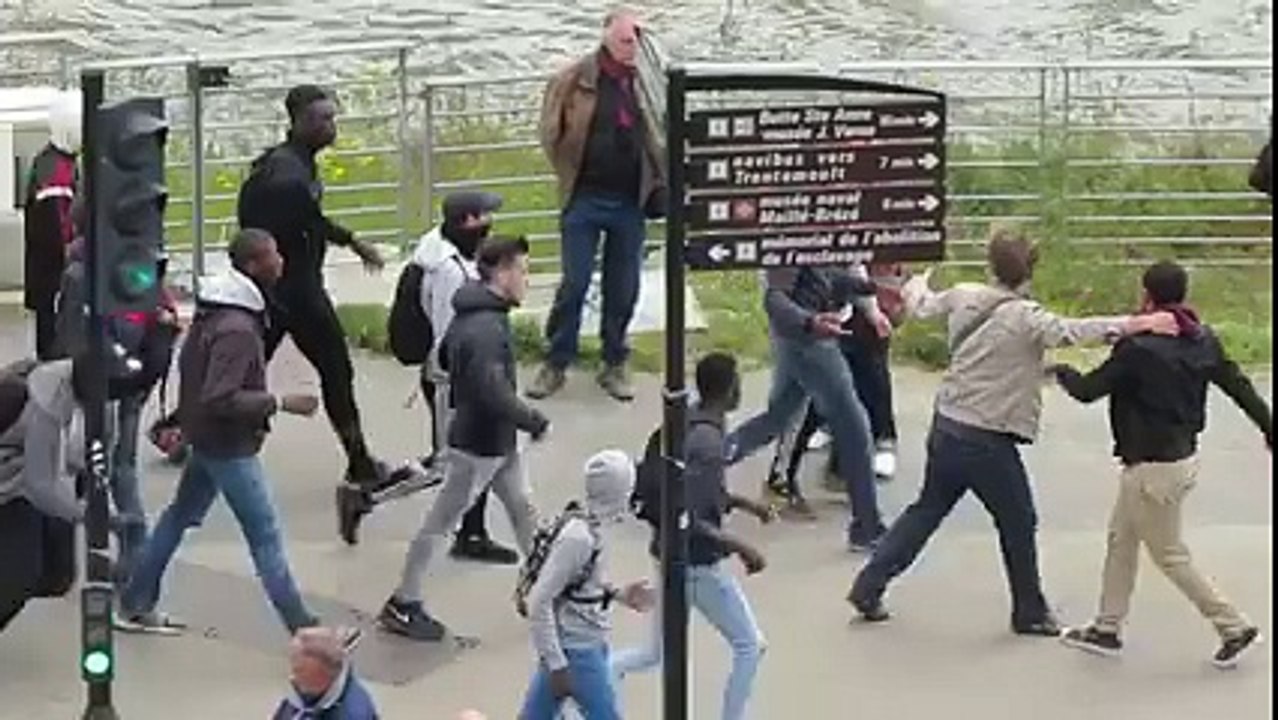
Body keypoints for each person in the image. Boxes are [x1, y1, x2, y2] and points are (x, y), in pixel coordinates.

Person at [848, 227, 1179, 636]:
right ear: (1030, 271)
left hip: (948, 423)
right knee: (1019, 520)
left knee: (927, 509)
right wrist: (1138, 323)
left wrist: (917, 283)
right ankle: (1029, 611)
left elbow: (921, 305)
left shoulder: (965, 295)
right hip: (987, 437)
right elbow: (1075, 330)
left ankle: (869, 584)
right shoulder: (1027, 318)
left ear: (992, 266)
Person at [1050, 260, 1271, 669]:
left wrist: (1058, 369)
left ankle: (1234, 627)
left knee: (1169, 554)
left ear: (1147, 296)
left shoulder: (1137, 349)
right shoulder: (1203, 339)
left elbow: (1088, 390)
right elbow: (1237, 385)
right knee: (1121, 539)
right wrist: (1269, 427)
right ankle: (1106, 627)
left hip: (1151, 468)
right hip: (1178, 460)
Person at [118, 229, 324, 635]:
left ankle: (135, 603)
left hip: (207, 439)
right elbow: (220, 396)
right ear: (252, 266)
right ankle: (304, 628)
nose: (280, 261)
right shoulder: (238, 329)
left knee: (178, 518)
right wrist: (280, 402)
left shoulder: (217, 313)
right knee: (264, 535)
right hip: (228, 445)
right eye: (273, 255)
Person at [237, 84, 410, 546]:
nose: (330, 128)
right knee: (335, 369)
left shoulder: (286, 164)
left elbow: (298, 220)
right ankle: (359, 461)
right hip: (294, 292)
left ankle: (187, 430)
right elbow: (305, 222)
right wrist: (354, 242)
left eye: (332, 118)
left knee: (247, 366)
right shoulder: (286, 176)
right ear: (296, 121)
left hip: (284, 287)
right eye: (321, 120)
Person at [379, 236, 548, 641]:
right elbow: (491, 389)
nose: (527, 280)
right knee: (440, 523)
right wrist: (532, 419)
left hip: (496, 440)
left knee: (523, 507)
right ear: (502, 273)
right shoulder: (485, 329)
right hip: (479, 443)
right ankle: (404, 601)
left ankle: (547, 586)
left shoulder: (477, 314)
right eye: (523, 271)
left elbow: (448, 364)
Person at [612, 352, 771, 720]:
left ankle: (593, 678)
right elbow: (694, 516)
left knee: (655, 652)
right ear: (730, 390)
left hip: (665, 551)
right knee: (751, 645)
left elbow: (695, 494)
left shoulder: (685, 422)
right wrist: (742, 547)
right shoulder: (709, 443)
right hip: (696, 564)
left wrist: (746, 504)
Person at [529, 5, 665, 403]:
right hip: (585, 197)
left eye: (637, 41)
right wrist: (567, 172)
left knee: (623, 287)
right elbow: (549, 129)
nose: (631, 48)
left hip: (630, 201)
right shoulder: (574, 78)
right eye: (625, 40)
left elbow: (666, 131)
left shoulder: (649, 82)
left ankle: (614, 359)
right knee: (575, 282)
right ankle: (556, 360)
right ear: (606, 34)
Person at [723, 264, 890, 551]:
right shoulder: (795, 232)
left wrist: (872, 291)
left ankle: (692, 462)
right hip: (810, 340)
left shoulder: (825, 234)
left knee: (777, 419)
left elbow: (830, 275)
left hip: (804, 335)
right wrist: (810, 322)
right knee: (853, 425)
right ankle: (867, 526)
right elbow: (775, 297)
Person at [401, 191, 517, 565]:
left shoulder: (454, 257)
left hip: (463, 377)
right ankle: (369, 496)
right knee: (447, 464)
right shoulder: (448, 272)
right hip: (452, 380)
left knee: (473, 458)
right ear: (467, 222)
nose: (490, 223)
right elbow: (448, 332)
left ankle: (472, 533)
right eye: (485, 216)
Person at [519, 449, 654, 720]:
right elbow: (539, 600)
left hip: (577, 647)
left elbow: (579, 585)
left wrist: (618, 594)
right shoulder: (579, 539)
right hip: (579, 651)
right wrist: (558, 665)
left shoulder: (589, 527)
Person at [0, 358, 85, 632]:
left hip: (26, 487)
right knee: (21, 577)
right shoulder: (24, 399)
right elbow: (41, 484)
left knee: (55, 575)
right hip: (21, 490)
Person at [22, 92, 80, 361]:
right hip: (56, 278)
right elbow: (60, 232)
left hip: (49, 276)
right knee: (57, 348)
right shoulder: (58, 170)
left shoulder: (51, 163)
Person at [273, 626, 379, 719]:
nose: (293, 678)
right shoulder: (310, 689)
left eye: (299, 671)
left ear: (323, 677)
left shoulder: (350, 714)